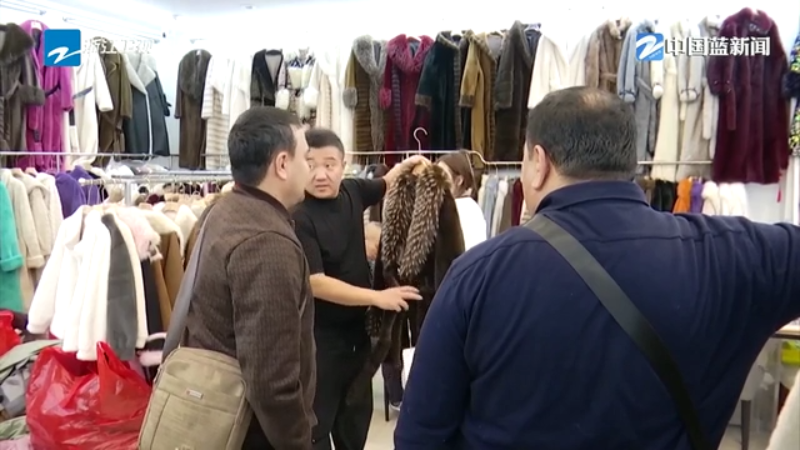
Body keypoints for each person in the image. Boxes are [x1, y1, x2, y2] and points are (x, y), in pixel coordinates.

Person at [394, 87, 800, 449]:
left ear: (539, 162)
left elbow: (420, 435)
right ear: (628, 161)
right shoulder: (730, 256)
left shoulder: (477, 275)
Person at [184, 107, 315, 450]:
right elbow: (272, 383)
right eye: (306, 158)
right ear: (282, 164)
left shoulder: (225, 209)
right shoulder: (266, 242)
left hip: (218, 416)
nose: (310, 168)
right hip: (250, 432)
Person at [292, 127, 426, 450]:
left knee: (355, 422)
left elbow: (388, 181)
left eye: (329, 164)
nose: (320, 174)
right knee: (317, 426)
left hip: (358, 338)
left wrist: (415, 163)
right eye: (311, 164)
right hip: (319, 341)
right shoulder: (299, 215)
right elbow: (315, 282)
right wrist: (377, 297)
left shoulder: (352, 191)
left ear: (344, 164)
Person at [436, 151, 487, 250]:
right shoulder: (470, 206)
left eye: (443, 176)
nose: (438, 181)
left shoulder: (459, 208)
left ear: (459, 180)